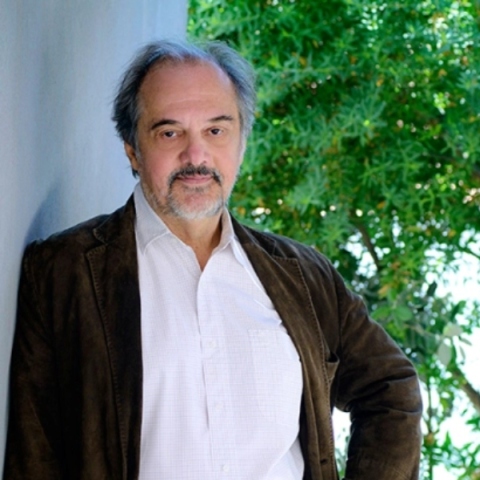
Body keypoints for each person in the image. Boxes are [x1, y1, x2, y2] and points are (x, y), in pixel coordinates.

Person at [4, 39, 422, 480]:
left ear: (242, 142)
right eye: (170, 133)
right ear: (131, 148)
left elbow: (391, 388)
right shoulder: (62, 273)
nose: (196, 156)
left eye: (216, 131)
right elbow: (34, 456)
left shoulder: (303, 276)